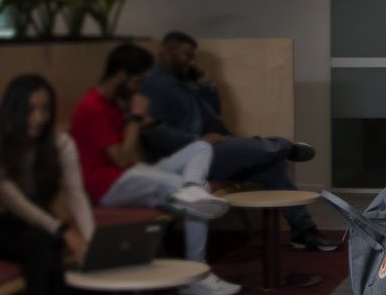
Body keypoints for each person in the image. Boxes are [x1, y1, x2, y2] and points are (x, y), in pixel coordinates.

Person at [138, 31, 338, 252]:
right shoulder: (154, 85)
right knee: (261, 149)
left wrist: (206, 86)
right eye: (186, 55)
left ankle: (304, 232)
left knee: (274, 165)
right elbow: (156, 133)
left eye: (192, 56)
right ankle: (285, 146)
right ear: (167, 51)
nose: (191, 61)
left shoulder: (183, 82)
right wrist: (199, 140)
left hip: (218, 149)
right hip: (192, 156)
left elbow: (213, 112)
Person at [69, 43, 241, 295]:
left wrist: (145, 123)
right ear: (121, 75)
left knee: (200, 148)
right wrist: (136, 118)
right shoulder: (92, 106)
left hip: (133, 175)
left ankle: (192, 190)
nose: (140, 87)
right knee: (196, 196)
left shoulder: (112, 103)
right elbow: (120, 158)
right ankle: (196, 274)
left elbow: (127, 150)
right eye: (137, 80)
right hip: (108, 186)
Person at [0, 74, 94, 295]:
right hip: (0, 230)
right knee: (42, 245)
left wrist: (91, 242)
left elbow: (76, 194)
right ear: (14, 111)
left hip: (43, 227)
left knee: (47, 248)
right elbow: (16, 203)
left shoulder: (61, 143)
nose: (38, 118)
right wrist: (63, 230)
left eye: (45, 109)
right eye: (29, 110)